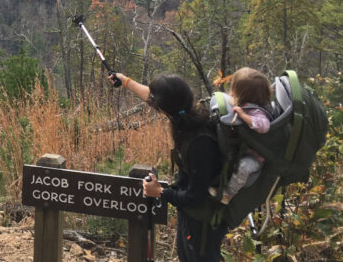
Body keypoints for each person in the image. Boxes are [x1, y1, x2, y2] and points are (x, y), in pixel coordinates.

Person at [111, 72, 228, 262]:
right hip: (190, 216)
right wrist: (124, 81)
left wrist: (160, 192)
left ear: (164, 109)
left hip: (202, 222)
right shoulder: (185, 113)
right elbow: (151, 96)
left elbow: (195, 196)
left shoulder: (200, 142)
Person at [212, 67, 272, 204]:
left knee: (243, 168)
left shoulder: (257, 111)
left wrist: (243, 115)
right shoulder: (246, 104)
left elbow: (263, 126)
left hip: (257, 157)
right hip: (245, 150)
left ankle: (229, 193)